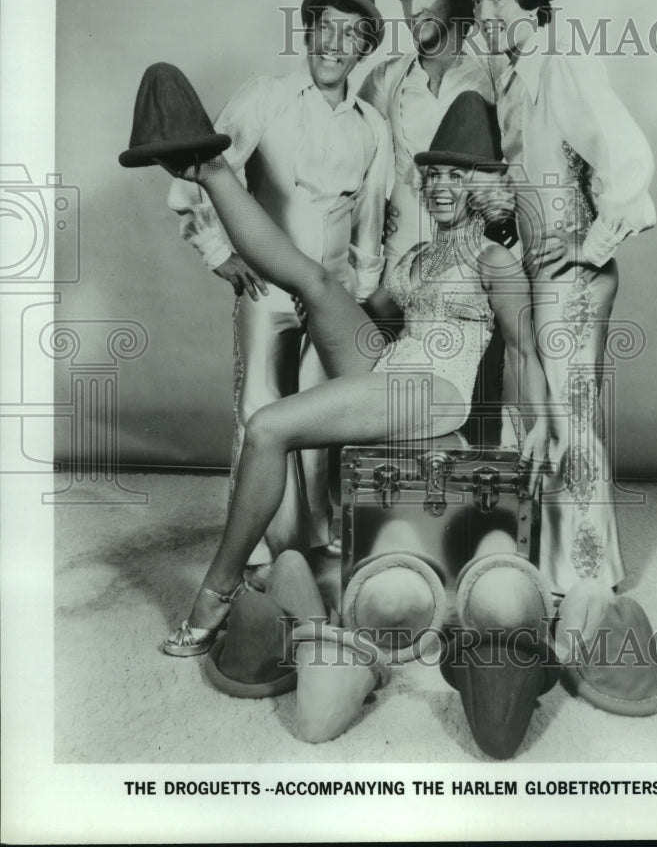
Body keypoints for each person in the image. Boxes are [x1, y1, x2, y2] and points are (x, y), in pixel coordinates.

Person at [158, 90, 551, 656]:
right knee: (314, 281)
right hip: (395, 364)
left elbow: (523, 351)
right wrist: (325, 311)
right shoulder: (419, 256)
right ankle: (211, 170)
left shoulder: (495, 259)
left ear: (482, 187)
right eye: (435, 174)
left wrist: (537, 424)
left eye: (458, 176)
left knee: (268, 427)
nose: (442, 186)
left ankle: (218, 589)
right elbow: (380, 319)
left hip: (437, 391)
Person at [460, 0, 656, 597]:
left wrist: (588, 245)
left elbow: (628, 163)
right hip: (542, 273)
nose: (480, 15)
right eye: (477, 3)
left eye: (489, 1)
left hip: (572, 278)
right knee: (541, 410)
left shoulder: (564, 63)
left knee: (570, 417)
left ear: (522, 4)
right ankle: (555, 569)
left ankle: (589, 586)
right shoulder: (513, 75)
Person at [166, 0, 393, 562]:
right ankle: (265, 550)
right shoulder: (264, 96)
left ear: (365, 48)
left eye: (351, 34)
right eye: (325, 28)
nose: (334, 45)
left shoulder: (373, 127)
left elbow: (370, 220)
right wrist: (219, 252)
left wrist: (360, 295)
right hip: (266, 291)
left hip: (334, 295)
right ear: (308, 34)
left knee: (320, 415)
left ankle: (310, 541)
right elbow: (196, 175)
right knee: (262, 409)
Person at [359, 0, 507, 446]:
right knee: (392, 388)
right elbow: (354, 156)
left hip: (470, 257)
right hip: (402, 259)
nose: (414, 7)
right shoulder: (385, 79)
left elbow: (518, 155)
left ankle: (480, 485)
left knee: (479, 388)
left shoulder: (492, 70)